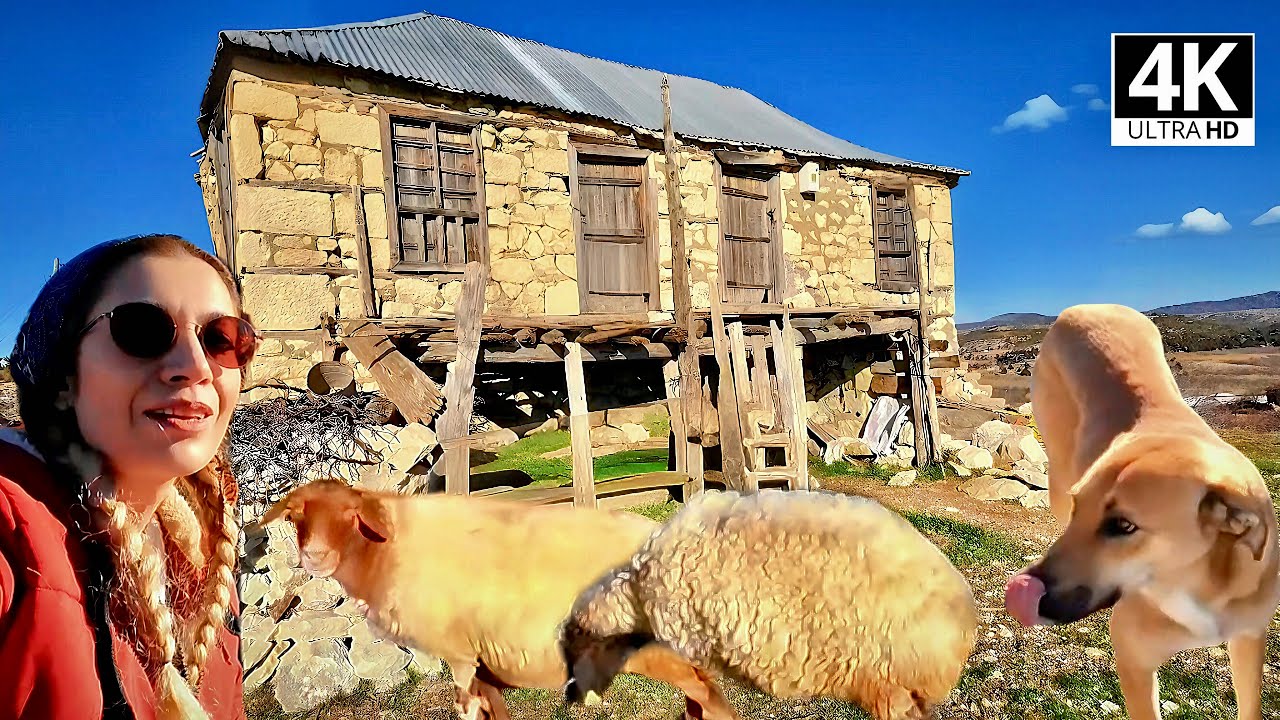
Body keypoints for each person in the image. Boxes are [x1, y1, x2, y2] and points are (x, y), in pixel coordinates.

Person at [0, 234, 257, 719]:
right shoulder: (12, 530)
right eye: (141, 330)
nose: (196, 368)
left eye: (221, 338)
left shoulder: (206, 537)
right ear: (63, 376)